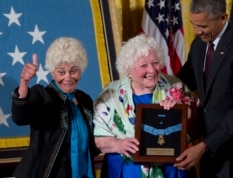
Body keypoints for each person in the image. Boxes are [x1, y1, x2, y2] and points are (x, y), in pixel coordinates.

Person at [93, 34, 199, 178]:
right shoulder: (109, 95)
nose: (152, 70)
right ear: (128, 69)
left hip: (171, 169)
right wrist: (118, 144)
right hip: (126, 170)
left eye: (155, 62)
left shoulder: (176, 86)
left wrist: (181, 112)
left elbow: (197, 127)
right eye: (144, 65)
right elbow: (98, 137)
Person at [175, 0, 233, 178]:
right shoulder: (199, 45)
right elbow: (183, 81)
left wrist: (204, 146)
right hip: (210, 154)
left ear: (222, 18)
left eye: (202, 26)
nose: (196, 31)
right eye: (193, 24)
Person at [11, 37, 99, 178]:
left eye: (74, 71)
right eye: (61, 72)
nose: (68, 77)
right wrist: (24, 82)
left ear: (81, 70)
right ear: (52, 72)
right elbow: (20, 117)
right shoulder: (42, 95)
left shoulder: (85, 100)